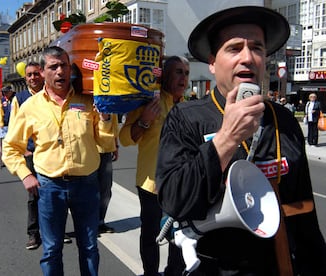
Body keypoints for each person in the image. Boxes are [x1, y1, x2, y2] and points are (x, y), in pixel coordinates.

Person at [156, 6, 326, 275]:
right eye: (235, 48)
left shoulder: (284, 120)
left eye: (257, 48)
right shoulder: (185, 118)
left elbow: (304, 211)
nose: (247, 57)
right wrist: (226, 139)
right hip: (207, 267)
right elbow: (175, 201)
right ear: (212, 63)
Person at [2, 46, 114, 276]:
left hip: (86, 184)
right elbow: (11, 147)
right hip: (50, 188)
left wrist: (104, 117)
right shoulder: (30, 107)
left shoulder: (88, 100)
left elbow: (106, 143)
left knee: (90, 246)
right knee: (52, 249)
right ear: (43, 72)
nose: (60, 71)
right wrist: (26, 175)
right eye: (53, 66)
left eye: (64, 65)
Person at [119, 56, 189, 276]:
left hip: (182, 186)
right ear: (165, 74)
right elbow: (125, 138)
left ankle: (174, 272)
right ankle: (150, 273)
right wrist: (145, 120)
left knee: (180, 234)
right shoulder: (149, 102)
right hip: (152, 184)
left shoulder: (190, 107)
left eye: (186, 73)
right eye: (178, 72)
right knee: (150, 234)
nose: (183, 78)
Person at [7, 61, 48, 249]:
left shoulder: (52, 94)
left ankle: (56, 230)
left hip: (49, 153)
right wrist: (24, 150)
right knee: (33, 196)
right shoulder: (20, 98)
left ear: (42, 74)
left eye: (36, 74)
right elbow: (14, 127)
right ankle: (33, 233)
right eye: (29, 75)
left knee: (54, 195)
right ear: (25, 78)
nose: (33, 78)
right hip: (31, 153)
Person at [97, 115, 119, 234]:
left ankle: (100, 221)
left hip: (106, 150)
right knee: (85, 191)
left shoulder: (109, 98)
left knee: (105, 189)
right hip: (89, 150)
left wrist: (115, 146)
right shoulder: (85, 98)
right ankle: (87, 223)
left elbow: (114, 125)